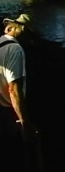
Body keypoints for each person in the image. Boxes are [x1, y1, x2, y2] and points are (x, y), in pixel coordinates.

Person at [0, 14, 39, 171]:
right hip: (6, 113)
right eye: (26, 33)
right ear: (14, 29)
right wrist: (25, 123)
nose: (27, 39)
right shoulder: (15, 49)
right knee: (13, 157)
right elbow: (14, 89)